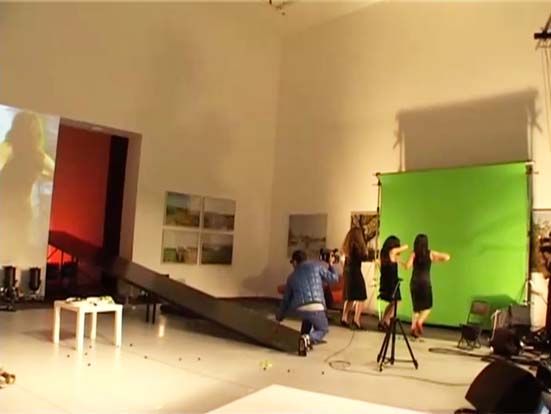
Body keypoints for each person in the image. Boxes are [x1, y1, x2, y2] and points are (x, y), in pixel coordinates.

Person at [276, 250, 338, 351]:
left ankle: (303, 342)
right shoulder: (317, 266)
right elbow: (334, 279)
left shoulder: (291, 277)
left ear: (295, 262)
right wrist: (331, 264)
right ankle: (308, 338)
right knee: (323, 329)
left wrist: (279, 317)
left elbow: (286, 301)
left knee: (308, 318)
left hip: (300, 308)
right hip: (317, 306)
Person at [405, 234, 451, 337]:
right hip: (425, 283)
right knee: (428, 307)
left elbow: (407, 266)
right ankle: (419, 322)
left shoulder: (414, 253)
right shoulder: (430, 253)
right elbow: (447, 257)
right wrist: (436, 259)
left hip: (414, 283)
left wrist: (401, 262)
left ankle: (413, 328)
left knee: (416, 308)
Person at [340, 226, 370, 330]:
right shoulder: (356, 246)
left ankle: (344, 317)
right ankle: (356, 320)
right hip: (355, 272)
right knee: (361, 296)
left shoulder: (347, 246)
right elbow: (363, 257)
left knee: (350, 297)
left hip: (347, 272)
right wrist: (366, 252)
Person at [378, 235, 409, 331]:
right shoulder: (392, 252)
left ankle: (383, 320)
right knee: (396, 301)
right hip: (392, 281)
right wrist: (399, 250)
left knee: (393, 302)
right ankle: (386, 320)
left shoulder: (383, 254)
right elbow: (406, 247)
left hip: (386, 280)